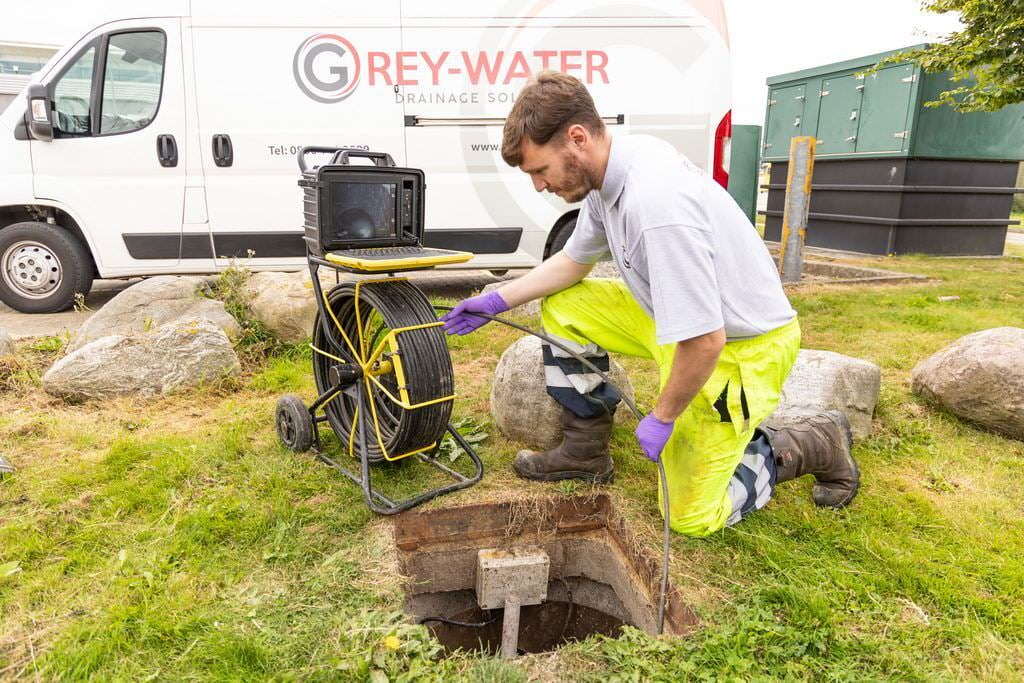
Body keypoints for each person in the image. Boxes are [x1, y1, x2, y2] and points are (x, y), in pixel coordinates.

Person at [442, 71, 859, 537]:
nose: (540, 185)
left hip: (738, 348)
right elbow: (573, 263)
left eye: (540, 170)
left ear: (576, 139)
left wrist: (663, 416)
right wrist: (494, 299)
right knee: (565, 304)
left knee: (690, 519)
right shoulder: (609, 174)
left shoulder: (657, 208)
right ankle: (585, 453)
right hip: (671, 319)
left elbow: (705, 341)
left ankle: (807, 443)